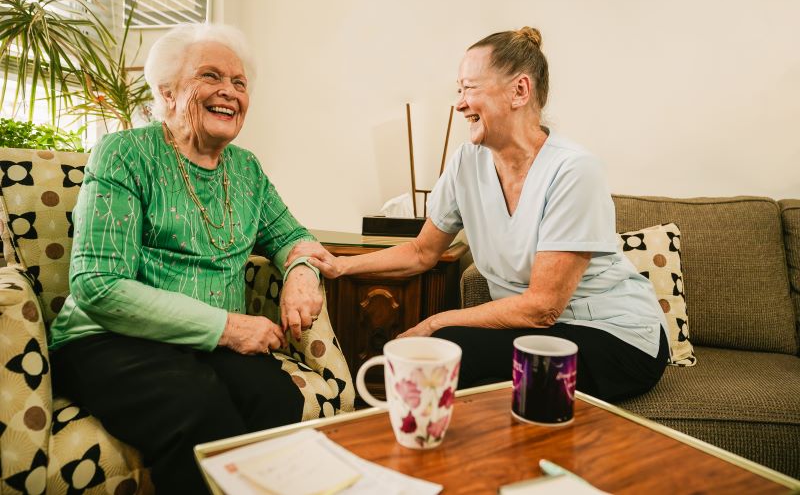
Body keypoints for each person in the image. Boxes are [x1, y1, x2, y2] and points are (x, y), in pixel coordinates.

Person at [288, 26, 669, 402]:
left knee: (451, 347)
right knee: (450, 352)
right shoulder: (466, 164)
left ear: (519, 91)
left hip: (616, 336)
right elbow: (422, 253)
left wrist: (436, 321)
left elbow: (541, 307)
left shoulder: (574, 171)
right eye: (459, 89)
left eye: (470, 88)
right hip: (544, 331)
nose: (459, 103)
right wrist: (340, 266)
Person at [49, 24, 324, 493]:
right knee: (197, 407)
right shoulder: (125, 154)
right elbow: (97, 283)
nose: (229, 92)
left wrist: (300, 270)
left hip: (200, 345)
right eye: (210, 76)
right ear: (167, 92)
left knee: (274, 396)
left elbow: (293, 237)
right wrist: (230, 327)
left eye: (239, 83)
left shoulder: (247, 169)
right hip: (109, 338)